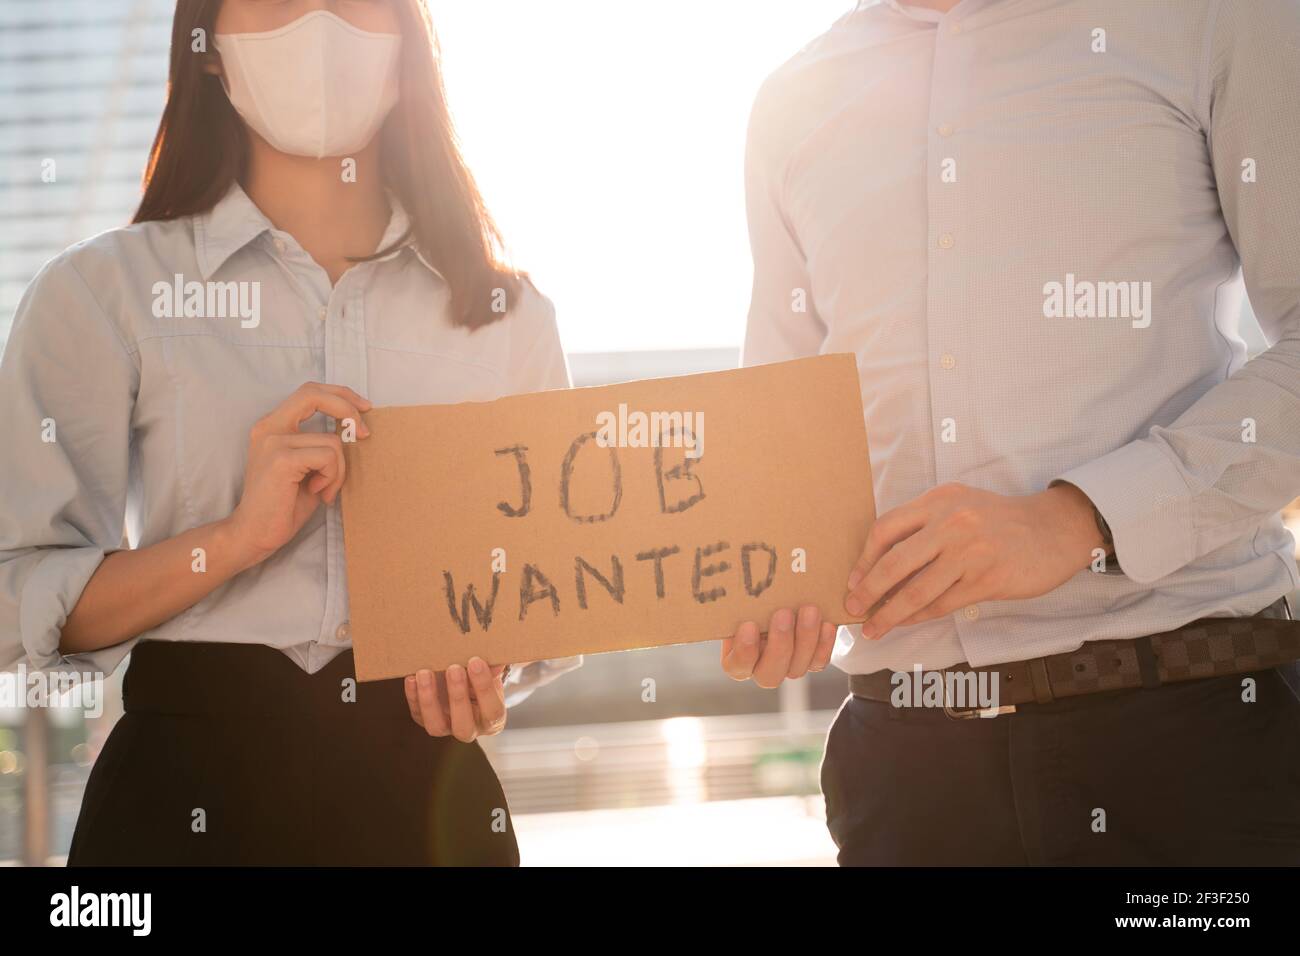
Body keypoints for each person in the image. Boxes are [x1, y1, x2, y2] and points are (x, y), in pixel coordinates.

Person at [0, 0, 577, 865]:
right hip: (177, 804)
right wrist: (230, 542)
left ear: (405, 40)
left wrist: (491, 676)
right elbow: (16, 597)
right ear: (205, 47)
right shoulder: (99, 293)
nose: (317, 22)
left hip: (427, 810)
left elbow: (548, 601)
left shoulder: (508, 316)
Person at [723, 0, 1300, 865]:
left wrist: (1080, 519)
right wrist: (769, 580)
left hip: (1190, 746)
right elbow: (781, 426)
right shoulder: (792, 100)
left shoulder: (1217, 18)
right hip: (904, 775)